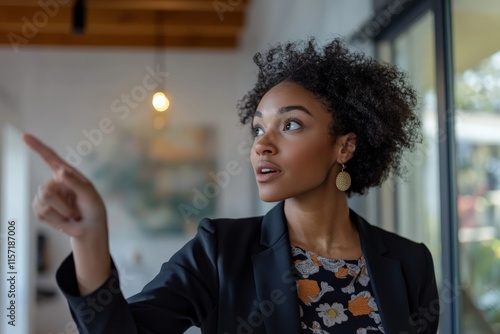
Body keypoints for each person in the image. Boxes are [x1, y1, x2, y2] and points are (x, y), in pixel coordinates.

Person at [25, 38, 439, 334]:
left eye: (290, 125)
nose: (262, 144)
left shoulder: (410, 264)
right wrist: (90, 238)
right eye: (258, 128)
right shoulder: (219, 251)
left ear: (344, 146)